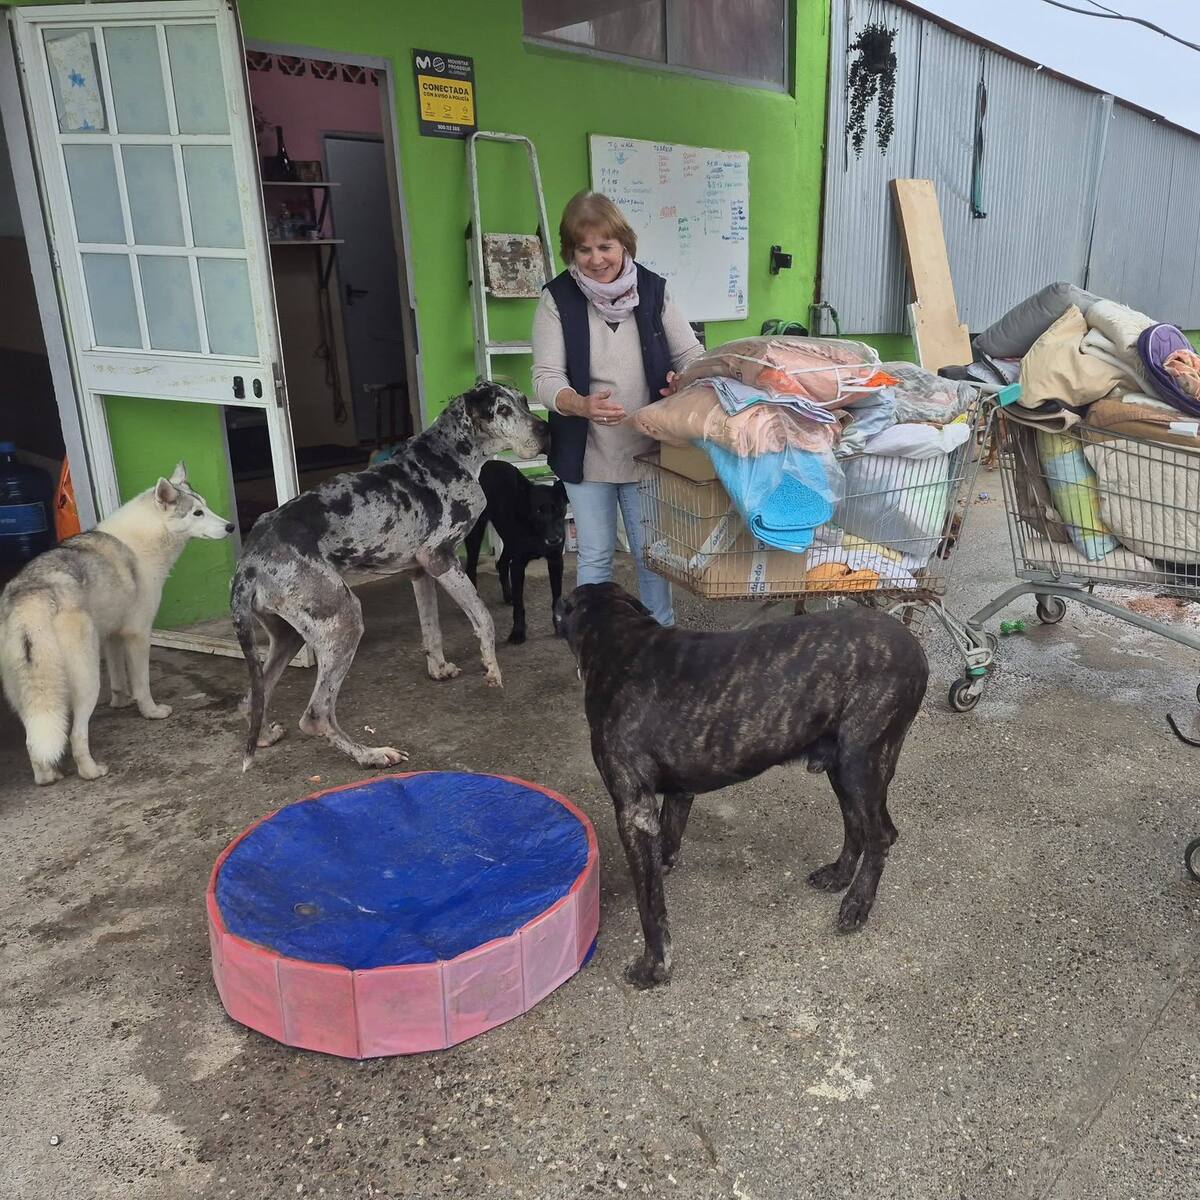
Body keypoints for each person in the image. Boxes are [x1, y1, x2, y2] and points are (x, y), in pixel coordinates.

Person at [532, 191, 703, 626]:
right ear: (571, 251)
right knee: (595, 556)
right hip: (586, 451)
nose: (595, 259)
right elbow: (545, 377)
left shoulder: (652, 290)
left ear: (624, 244)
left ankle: (660, 638)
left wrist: (682, 380)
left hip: (646, 450)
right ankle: (597, 646)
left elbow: (691, 356)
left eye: (605, 246)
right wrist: (579, 403)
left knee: (652, 554)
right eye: (583, 249)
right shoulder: (558, 299)